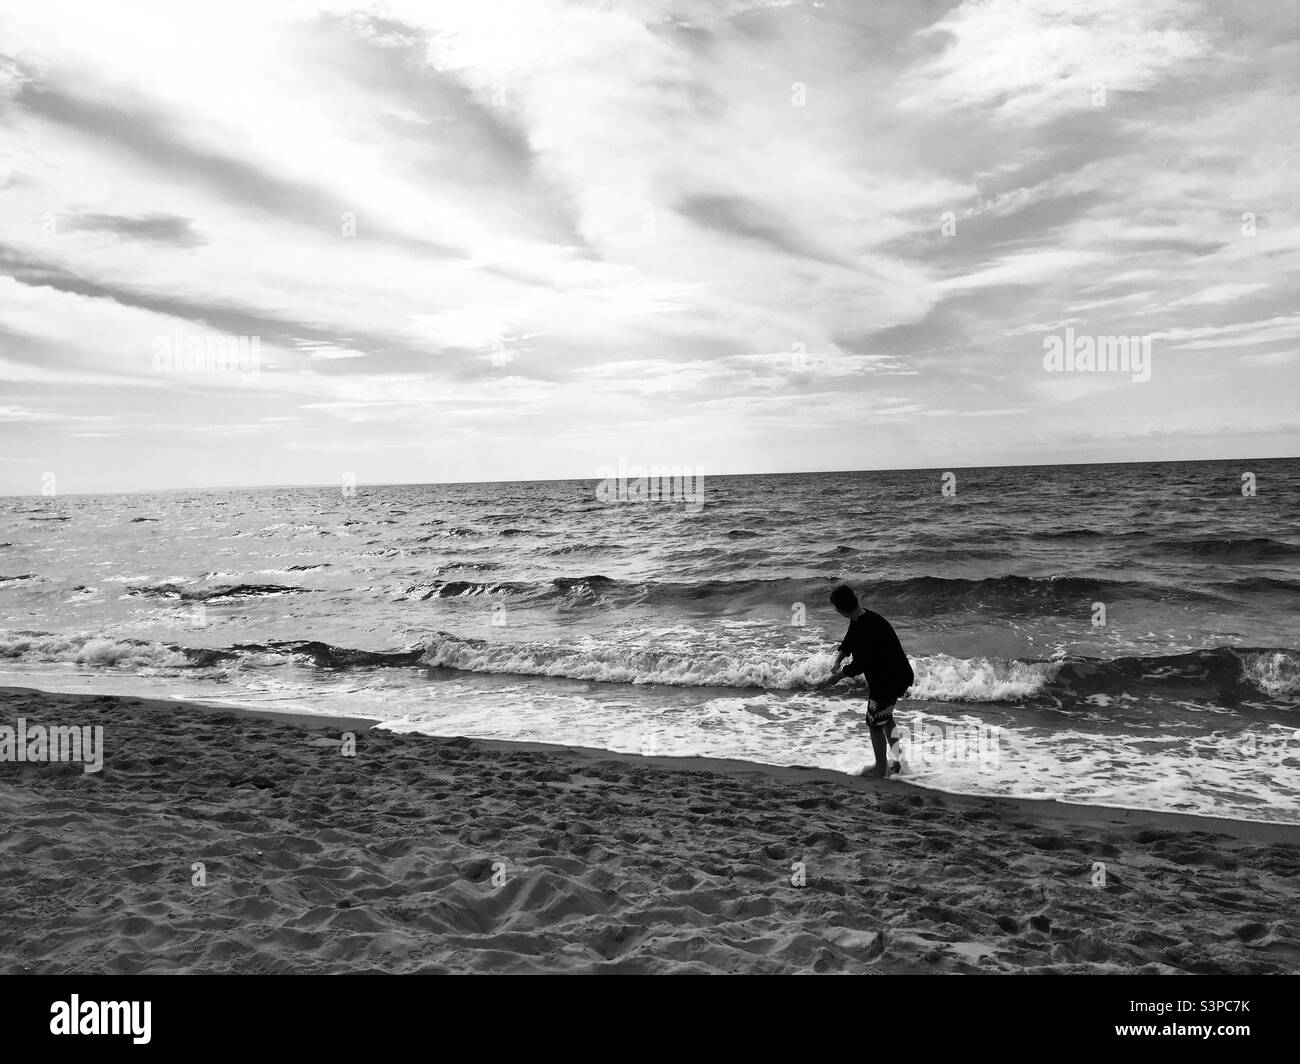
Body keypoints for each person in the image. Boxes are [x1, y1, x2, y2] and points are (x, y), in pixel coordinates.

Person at [820, 584, 914, 777]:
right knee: (885, 719)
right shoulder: (860, 618)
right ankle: (899, 763)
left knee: (874, 723)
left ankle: (880, 768)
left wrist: (837, 677)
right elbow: (848, 641)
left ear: (840, 610)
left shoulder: (868, 625)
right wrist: (838, 660)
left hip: (889, 679)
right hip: (896, 675)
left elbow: (861, 663)